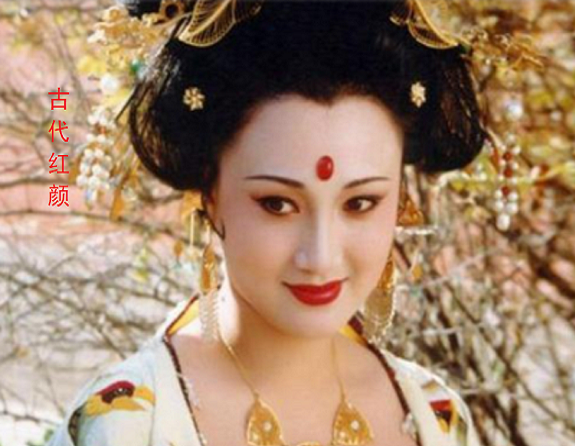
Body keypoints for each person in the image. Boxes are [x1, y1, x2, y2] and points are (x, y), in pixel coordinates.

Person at [48, 1, 487, 445]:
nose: (320, 257)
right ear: (210, 194)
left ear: (401, 201)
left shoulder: (433, 414)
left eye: (360, 203)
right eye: (277, 204)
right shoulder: (128, 423)